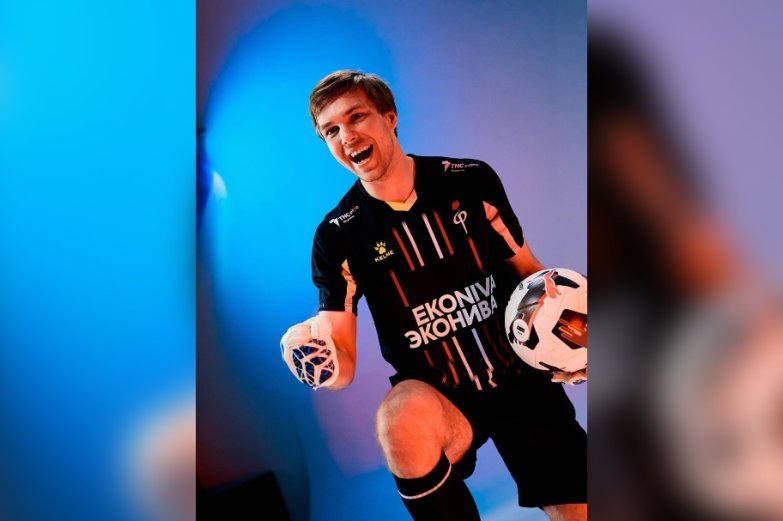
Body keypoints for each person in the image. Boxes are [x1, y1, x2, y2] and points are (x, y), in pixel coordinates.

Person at [281, 70, 587, 521]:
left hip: (518, 375)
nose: (346, 136)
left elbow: (529, 271)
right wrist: (315, 361)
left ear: (389, 116)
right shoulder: (337, 236)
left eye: (356, 117)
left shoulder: (470, 180)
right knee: (398, 419)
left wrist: (578, 335)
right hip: (442, 396)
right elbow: (341, 362)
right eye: (331, 130)